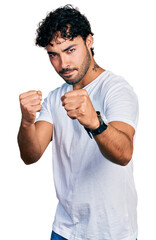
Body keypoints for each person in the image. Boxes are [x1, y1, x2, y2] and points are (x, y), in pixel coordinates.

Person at [18, 4, 139, 240]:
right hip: (65, 229)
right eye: (54, 54)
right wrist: (26, 122)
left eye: (70, 49)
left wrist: (95, 122)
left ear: (89, 41)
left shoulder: (116, 89)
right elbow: (30, 155)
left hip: (112, 232)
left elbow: (124, 153)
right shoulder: (55, 98)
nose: (63, 64)